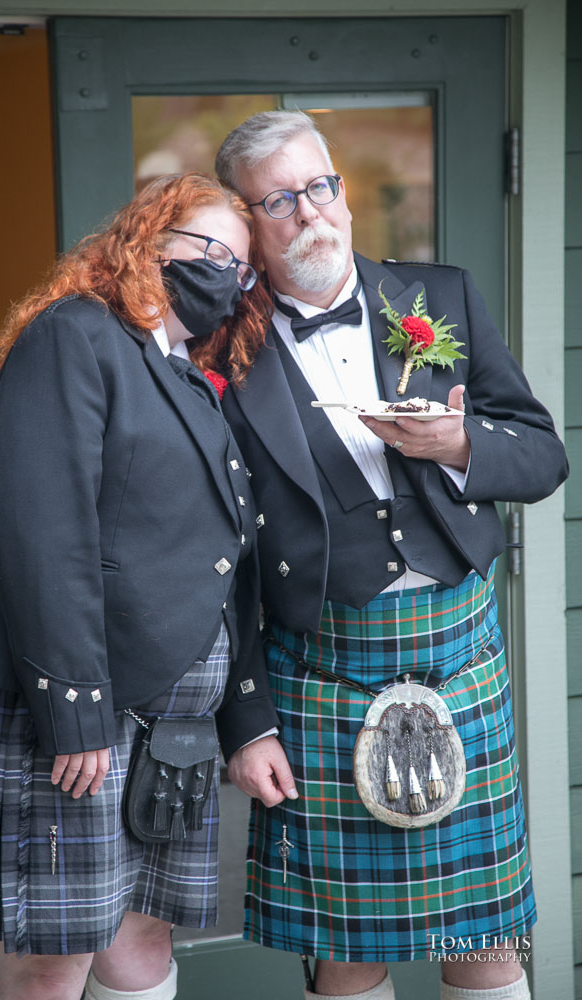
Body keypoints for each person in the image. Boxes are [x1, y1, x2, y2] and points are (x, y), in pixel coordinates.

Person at [215, 111, 569, 1000]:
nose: (309, 214)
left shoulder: (435, 297)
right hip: (324, 665)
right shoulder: (225, 350)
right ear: (250, 221)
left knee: (486, 939)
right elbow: (218, 557)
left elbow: (541, 455)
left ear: (340, 187)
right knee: (348, 949)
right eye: (279, 200)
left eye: (319, 186)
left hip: (458, 654)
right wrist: (246, 717)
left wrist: (459, 445)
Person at [0, 172, 281, 1000]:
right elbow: (45, 535)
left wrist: (235, 714)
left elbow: (217, 560)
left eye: (241, 264)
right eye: (209, 249)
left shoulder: (185, 371)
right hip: (78, 713)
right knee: (49, 965)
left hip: (166, 724)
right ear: (147, 243)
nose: (226, 273)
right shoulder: (73, 336)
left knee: (141, 947)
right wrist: (73, 707)